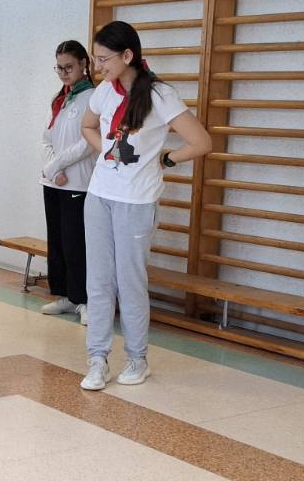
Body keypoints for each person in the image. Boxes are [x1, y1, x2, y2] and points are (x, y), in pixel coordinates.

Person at [78, 21, 211, 391]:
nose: (98, 67)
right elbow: (88, 127)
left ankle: (138, 359)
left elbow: (201, 142)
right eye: (95, 59)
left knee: (130, 282)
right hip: (99, 197)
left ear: (127, 55)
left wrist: (166, 159)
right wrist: (105, 152)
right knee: (98, 282)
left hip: (136, 202)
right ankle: (97, 359)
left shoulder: (160, 95)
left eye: (104, 59)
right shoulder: (104, 92)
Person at [40, 39, 96, 323]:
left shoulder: (93, 98)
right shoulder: (60, 98)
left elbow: (87, 143)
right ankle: (64, 295)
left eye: (69, 67)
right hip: (54, 182)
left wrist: (57, 165)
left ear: (84, 64)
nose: (63, 73)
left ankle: (84, 299)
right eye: (59, 68)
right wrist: (52, 170)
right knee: (58, 242)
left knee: (77, 244)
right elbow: (47, 138)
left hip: (78, 183)